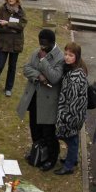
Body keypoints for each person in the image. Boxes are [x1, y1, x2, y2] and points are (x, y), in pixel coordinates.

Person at [16, 29, 64, 171]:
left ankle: (51, 158)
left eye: (45, 45)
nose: (42, 47)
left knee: (48, 132)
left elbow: (55, 77)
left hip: (48, 101)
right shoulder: (37, 51)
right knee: (34, 128)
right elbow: (26, 68)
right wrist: (39, 76)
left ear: (52, 42)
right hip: (34, 97)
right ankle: (37, 150)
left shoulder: (59, 57)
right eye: (40, 44)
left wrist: (43, 60)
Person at [54, 42, 89, 175]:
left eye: (71, 55)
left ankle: (69, 166)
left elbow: (74, 100)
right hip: (70, 113)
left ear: (77, 57)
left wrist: (67, 117)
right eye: (66, 54)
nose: (67, 57)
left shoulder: (76, 75)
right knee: (71, 139)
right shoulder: (70, 69)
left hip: (72, 114)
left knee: (72, 139)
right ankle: (72, 159)